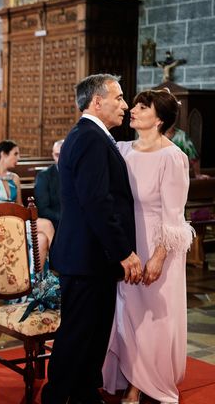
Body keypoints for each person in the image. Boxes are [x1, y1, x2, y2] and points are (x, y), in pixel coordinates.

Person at [41, 74, 143, 404]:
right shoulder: (89, 138)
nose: (125, 106)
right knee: (76, 336)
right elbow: (97, 202)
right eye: (120, 98)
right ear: (97, 102)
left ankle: (85, 394)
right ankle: (55, 397)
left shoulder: (92, 136)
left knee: (94, 334)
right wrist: (124, 252)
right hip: (87, 257)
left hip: (92, 257)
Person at [103, 89, 194, 404]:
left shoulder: (173, 157)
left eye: (143, 106)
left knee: (152, 317)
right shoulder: (123, 149)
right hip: (128, 245)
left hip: (159, 247)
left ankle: (140, 385)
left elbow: (173, 216)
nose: (134, 109)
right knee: (126, 310)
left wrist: (157, 258)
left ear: (159, 120)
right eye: (135, 104)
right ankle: (121, 373)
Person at [0, 139, 54, 272]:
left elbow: (20, 204)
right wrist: (3, 213)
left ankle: (35, 279)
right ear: (4, 154)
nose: (19, 157)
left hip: (16, 219)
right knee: (47, 225)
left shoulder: (14, 177)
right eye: (15, 154)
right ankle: (60, 263)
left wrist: (22, 213)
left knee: (41, 238)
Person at [34, 139, 64, 229]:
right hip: (55, 222)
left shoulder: (77, 173)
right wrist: (64, 218)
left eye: (63, 154)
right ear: (53, 155)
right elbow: (43, 209)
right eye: (57, 155)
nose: (61, 159)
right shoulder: (44, 176)